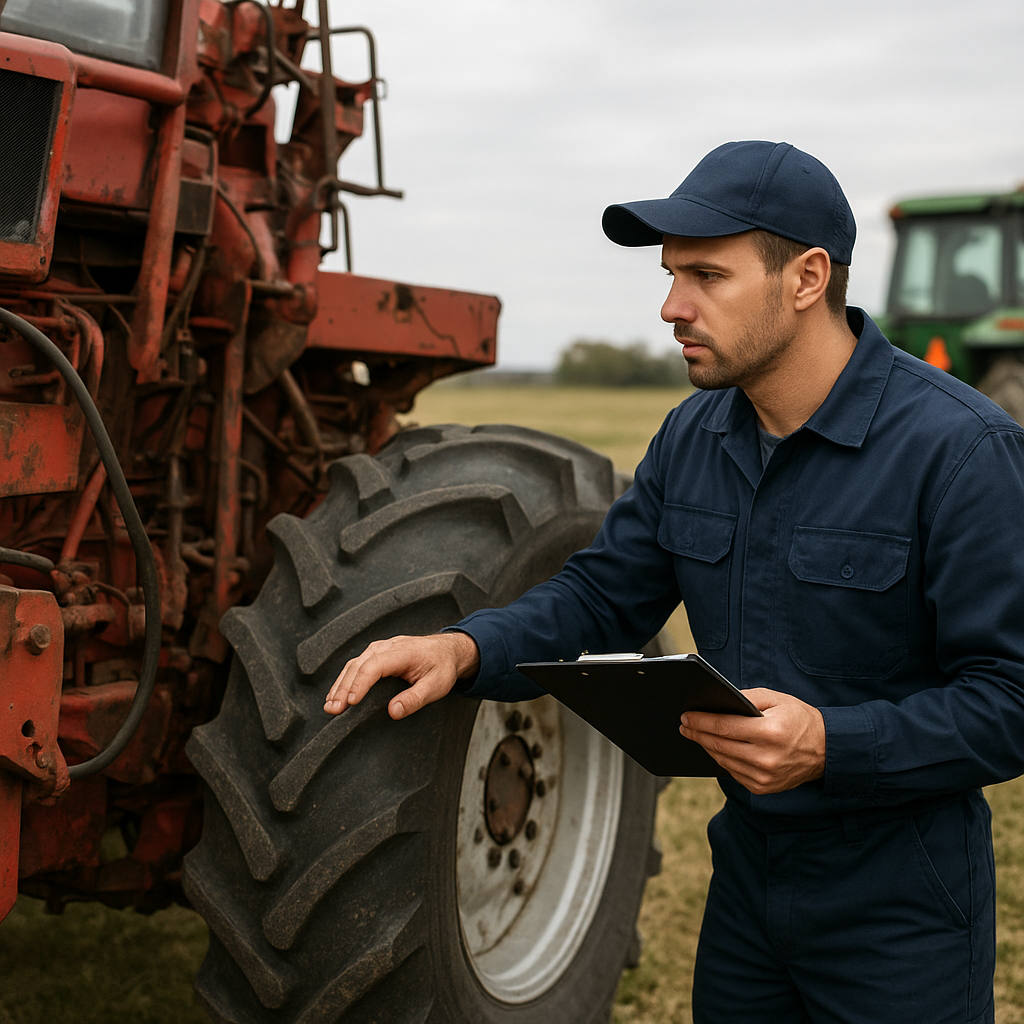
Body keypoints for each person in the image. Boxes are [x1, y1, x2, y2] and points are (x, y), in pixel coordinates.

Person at [324, 140, 1024, 1023]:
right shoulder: (694, 438)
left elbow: (1013, 697)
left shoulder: (961, 451)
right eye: (668, 275)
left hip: (903, 903)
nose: (670, 307)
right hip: (747, 887)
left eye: (706, 276)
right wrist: (466, 646)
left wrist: (830, 745)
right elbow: (598, 601)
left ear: (807, 278)